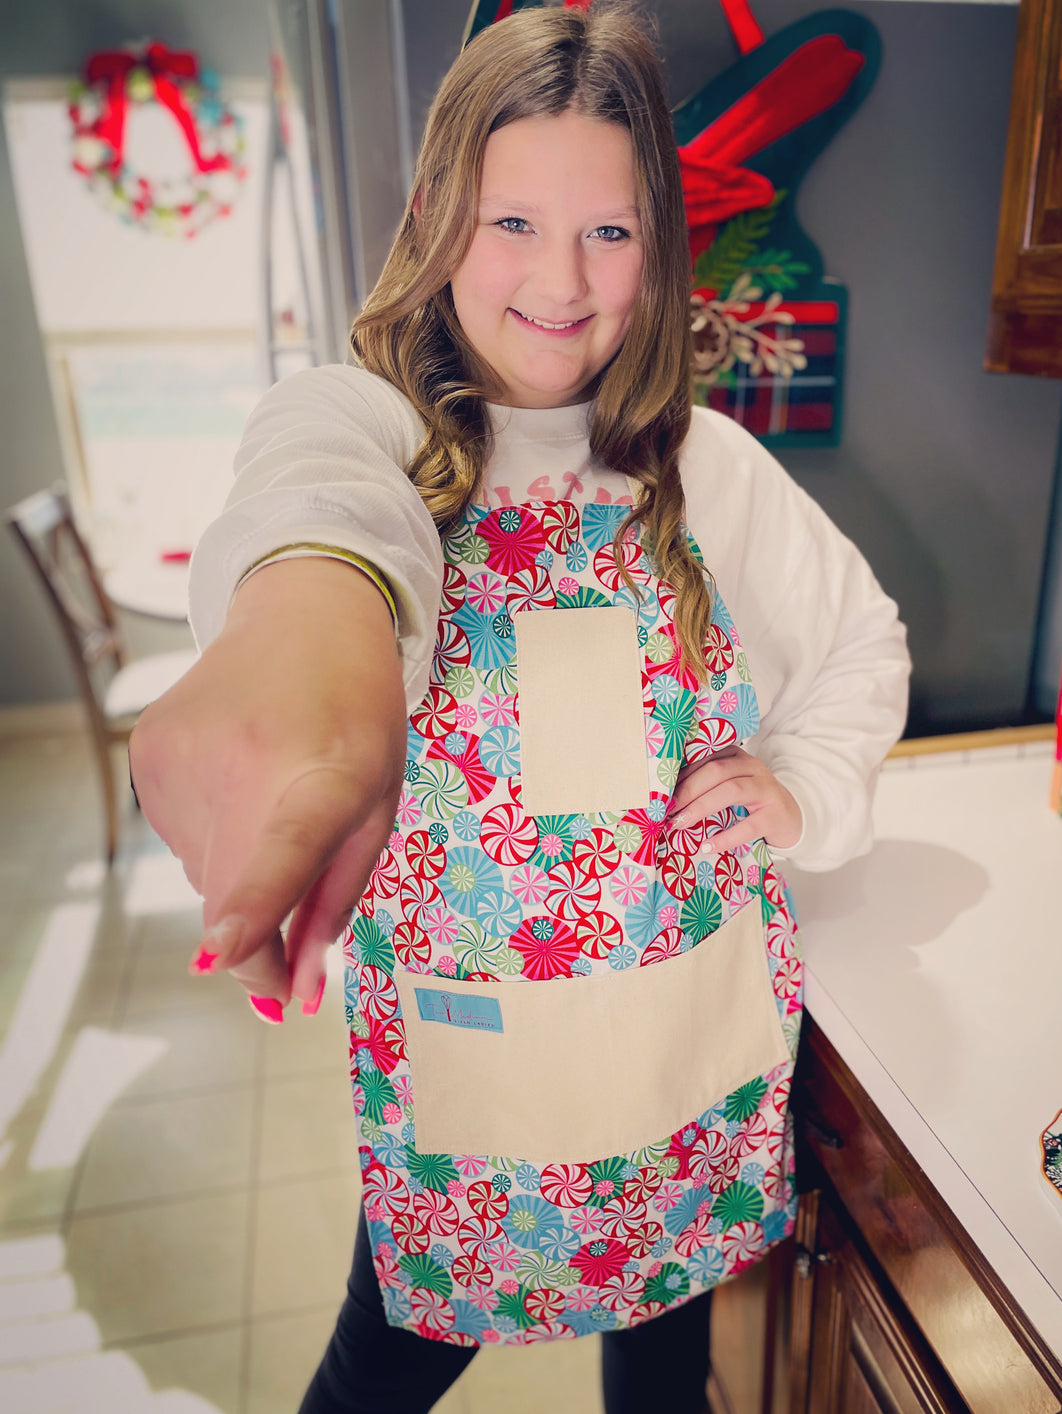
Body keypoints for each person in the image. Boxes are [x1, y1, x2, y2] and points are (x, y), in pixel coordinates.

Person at [131, 5, 909, 1411]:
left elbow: (864, 641)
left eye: (610, 231)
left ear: (656, 247)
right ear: (437, 216)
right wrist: (300, 608)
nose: (564, 279)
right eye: (513, 222)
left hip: (679, 1056)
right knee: (383, 1366)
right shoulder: (381, 437)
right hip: (475, 1082)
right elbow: (315, 491)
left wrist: (805, 781)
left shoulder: (710, 468)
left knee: (665, 1372)